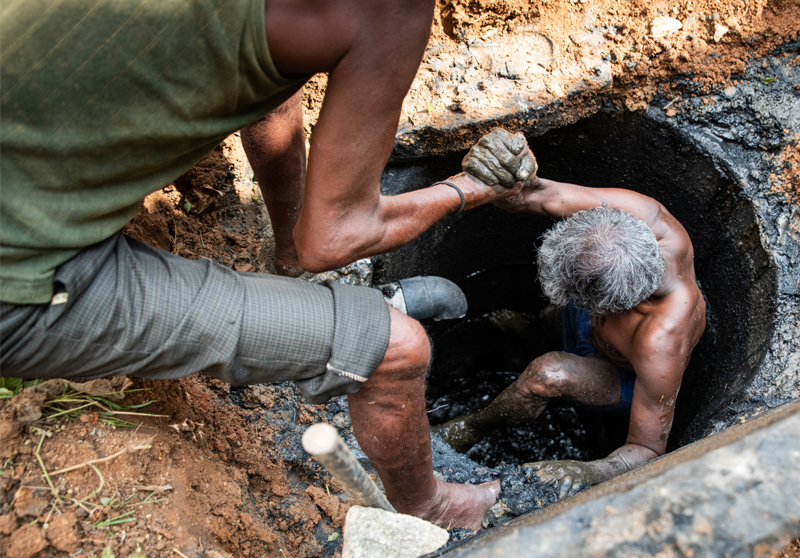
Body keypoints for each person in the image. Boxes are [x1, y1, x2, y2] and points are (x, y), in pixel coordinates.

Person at [0, 0, 534, 529]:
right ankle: (428, 507)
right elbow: (335, 240)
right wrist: (469, 188)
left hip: (27, 190)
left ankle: (286, 267)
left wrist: (291, 252)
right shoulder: (389, 10)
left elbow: (269, 101)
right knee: (397, 349)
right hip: (24, 276)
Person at [436, 129, 707, 499]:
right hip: (598, 318)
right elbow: (535, 196)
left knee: (548, 373)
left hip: (622, 370)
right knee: (550, 316)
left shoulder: (661, 341)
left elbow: (646, 449)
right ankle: (538, 326)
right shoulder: (642, 216)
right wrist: (504, 171)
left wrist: (590, 472)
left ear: (609, 307)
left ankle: (474, 426)